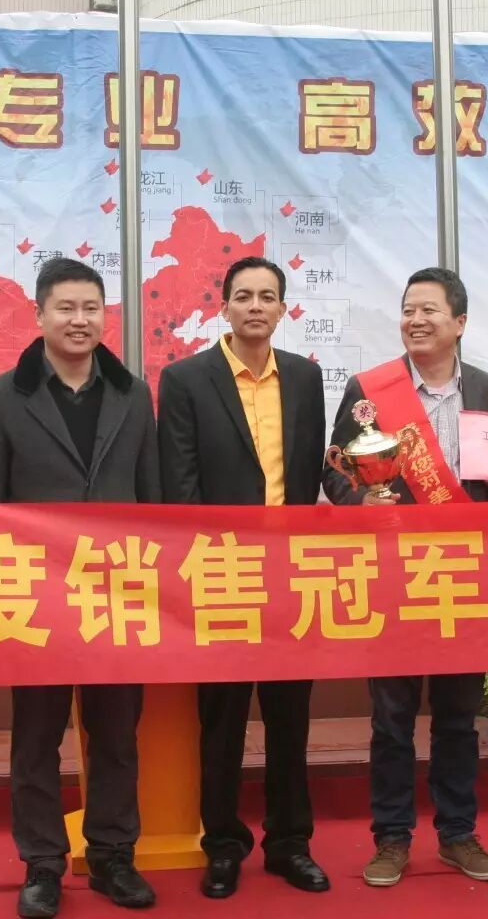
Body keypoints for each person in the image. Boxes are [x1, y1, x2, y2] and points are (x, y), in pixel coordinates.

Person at [0, 258, 160, 919]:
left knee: (117, 736)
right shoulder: (1, 398)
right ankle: (43, 864)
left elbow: (154, 501)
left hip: (119, 595)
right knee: (36, 739)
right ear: (40, 315)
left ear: (105, 316)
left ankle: (112, 856)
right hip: (36, 598)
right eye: (66, 308)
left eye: (91, 308)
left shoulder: (133, 394)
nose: (80, 321)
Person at [322, 266, 488, 889]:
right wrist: (360, 500)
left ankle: (458, 833)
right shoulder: (370, 389)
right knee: (392, 718)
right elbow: (335, 469)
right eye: (409, 309)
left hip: (465, 578)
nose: (416, 319)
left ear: (460, 322)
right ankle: (391, 839)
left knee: (459, 717)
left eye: (430, 310)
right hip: (393, 578)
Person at [157, 257, 330, 899]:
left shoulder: (305, 377)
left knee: (290, 719)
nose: (256, 306)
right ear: (224, 307)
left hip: (291, 576)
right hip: (221, 573)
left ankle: (290, 843)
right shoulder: (185, 379)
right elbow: (180, 484)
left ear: (282, 308)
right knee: (222, 721)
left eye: (267, 296)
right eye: (243, 296)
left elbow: (310, 474)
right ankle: (224, 845)